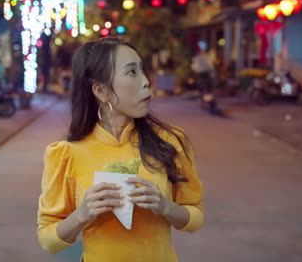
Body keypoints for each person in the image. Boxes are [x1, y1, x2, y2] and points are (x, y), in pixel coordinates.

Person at [37, 37, 204, 262]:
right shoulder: (66, 153)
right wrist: (82, 214)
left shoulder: (171, 141)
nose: (146, 81)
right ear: (101, 91)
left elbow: (195, 218)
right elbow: (49, 241)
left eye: (142, 70)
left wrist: (165, 206)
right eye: (132, 72)